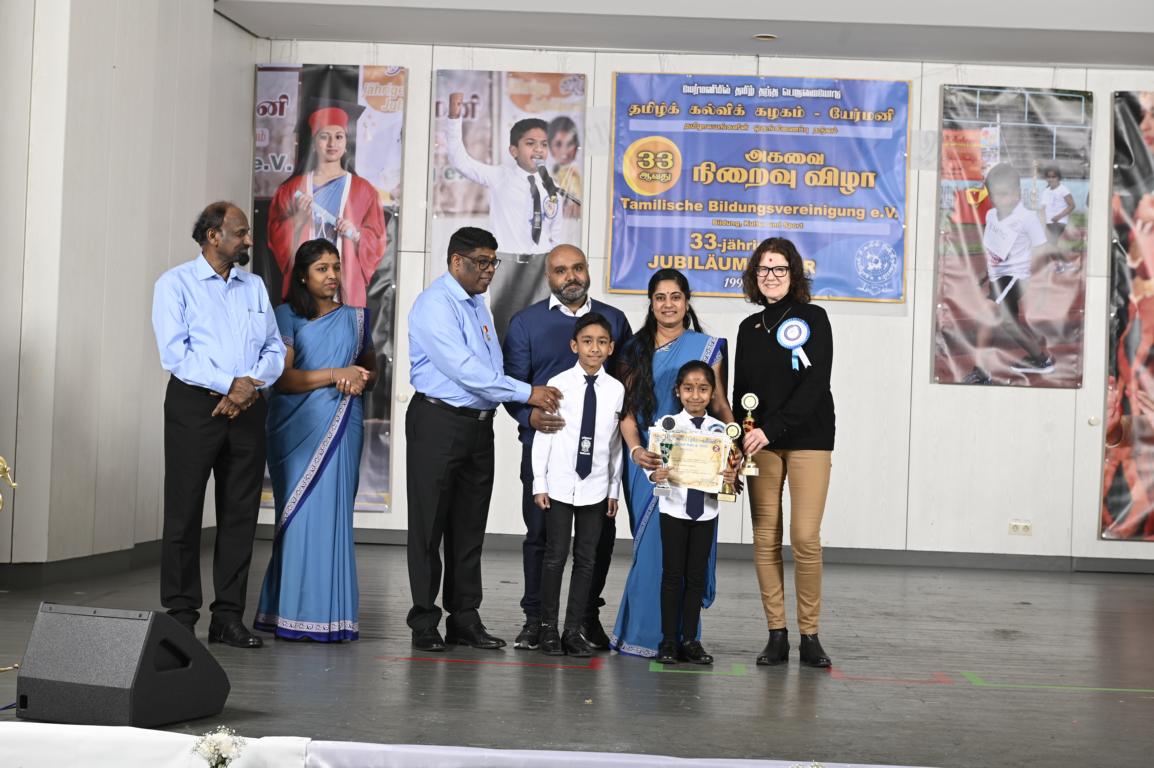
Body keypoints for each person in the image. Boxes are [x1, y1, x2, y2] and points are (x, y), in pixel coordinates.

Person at [406, 226, 562, 652]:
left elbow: (491, 369)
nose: (490, 270)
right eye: (482, 262)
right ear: (456, 261)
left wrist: (518, 395)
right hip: (438, 421)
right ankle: (424, 621)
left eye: (494, 262)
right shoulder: (434, 305)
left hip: (478, 425)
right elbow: (466, 370)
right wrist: (527, 392)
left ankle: (464, 618)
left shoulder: (477, 304)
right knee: (428, 527)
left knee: (469, 526)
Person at [151, 202, 286, 648]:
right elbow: (175, 354)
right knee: (184, 513)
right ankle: (181, 616)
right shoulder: (175, 284)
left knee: (240, 516)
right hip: (195, 407)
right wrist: (229, 384)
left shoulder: (254, 286)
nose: (248, 239)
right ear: (213, 236)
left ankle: (228, 618)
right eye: (240, 232)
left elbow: (273, 347)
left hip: (248, 409)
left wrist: (248, 386)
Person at [502, 244, 632, 651]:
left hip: (598, 458)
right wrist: (529, 419)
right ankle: (536, 620)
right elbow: (511, 387)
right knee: (542, 539)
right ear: (548, 277)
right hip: (547, 451)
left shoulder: (615, 319)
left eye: (577, 268)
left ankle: (583, 619)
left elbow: (625, 387)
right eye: (560, 270)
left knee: (597, 543)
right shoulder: (526, 323)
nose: (570, 276)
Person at [254, 239, 375, 642]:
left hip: (342, 424)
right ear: (303, 276)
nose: (332, 275)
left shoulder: (356, 319)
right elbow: (283, 379)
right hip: (296, 428)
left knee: (333, 517)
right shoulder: (286, 316)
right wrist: (336, 374)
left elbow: (368, 369)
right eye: (322, 268)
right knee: (298, 517)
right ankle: (288, 611)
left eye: (336, 267)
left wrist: (359, 378)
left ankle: (331, 617)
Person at [611, 269, 734, 658]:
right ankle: (648, 635)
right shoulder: (634, 349)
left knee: (690, 556)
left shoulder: (706, 347)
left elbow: (720, 404)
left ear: (687, 301)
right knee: (653, 552)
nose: (668, 304)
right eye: (660, 297)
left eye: (675, 297)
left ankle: (686, 637)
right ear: (651, 303)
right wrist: (636, 452)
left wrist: (733, 452)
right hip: (650, 465)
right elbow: (627, 413)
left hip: (696, 465)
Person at [733, 237, 835, 668]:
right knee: (765, 538)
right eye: (763, 269)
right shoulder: (748, 328)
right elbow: (741, 394)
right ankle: (777, 633)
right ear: (754, 276)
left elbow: (815, 384)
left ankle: (810, 634)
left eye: (779, 269)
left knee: (805, 538)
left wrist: (770, 429)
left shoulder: (814, 318)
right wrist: (740, 441)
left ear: (793, 274)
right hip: (760, 446)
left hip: (809, 438)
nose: (770, 276)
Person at [531, 313, 624, 657]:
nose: (594, 348)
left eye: (602, 342)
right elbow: (544, 434)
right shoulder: (558, 384)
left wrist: (613, 488)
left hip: (596, 486)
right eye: (587, 341)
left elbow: (615, 444)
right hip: (559, 483)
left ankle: (572, 631)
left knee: (586, 558)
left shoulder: (616, 390)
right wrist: (539, 482)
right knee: (555, 556)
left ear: (611, 348)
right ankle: (548, 629)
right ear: (574, 346)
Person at [443, 92, 564, 337]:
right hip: (507, 263)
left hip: (542, 264)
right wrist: (454, 119)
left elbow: (556, 232)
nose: (538, 149)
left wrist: (556, 265)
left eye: (543, 144)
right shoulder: (500, 176)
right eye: (530, 143)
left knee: (539, 330)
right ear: (513, 150)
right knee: (506, 329)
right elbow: (460, 161)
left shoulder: (553, 187)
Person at [649, 361, 736, 666]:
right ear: (678, 391)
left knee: (696, 577)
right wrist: (655, 475)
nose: (695, 395)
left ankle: (690, 640)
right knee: (672, 575)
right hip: (673, 508)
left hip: (706, 511)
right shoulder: (667, 425)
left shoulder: (721, 430)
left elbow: (730, 472)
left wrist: (730, 476)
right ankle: (668, 640)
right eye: (688, 388)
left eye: (702, 389)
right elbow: (654, 464)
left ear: (712, 393)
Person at [267, 105, 387, 308]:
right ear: (314, 143)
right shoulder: (291, 189)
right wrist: (298, 220)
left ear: (346, 143)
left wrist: (356, 234)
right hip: (305, 285)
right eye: (324, 136)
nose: (332, 143)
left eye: (339, 136)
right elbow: (275, 238)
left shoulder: (364, 190)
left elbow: (377, 240)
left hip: (345, 285)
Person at [962, 163, 1057, 384]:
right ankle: (1041, 360)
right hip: (998, 277)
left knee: (988, 312)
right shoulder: (991, 216)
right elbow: (995, 248)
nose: (1000, 199)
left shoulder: (1027, 218)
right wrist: (986, 274)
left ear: (1017, 193)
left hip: (1015, 278)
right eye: (995, 195)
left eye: (1006, 194)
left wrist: (1037, 276)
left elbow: (1042, 249)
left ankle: (981, 371)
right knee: (1009, 324)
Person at [547, 116, 582, 219]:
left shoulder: (581, 174)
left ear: (576, 145)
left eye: (570, 144)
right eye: (558, 144)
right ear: (550, 146)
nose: (564, 151)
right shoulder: (546, 176)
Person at [1039, 166, 1076, 248]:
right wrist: (1041, 221)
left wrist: (1058, 217)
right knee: (1047, 244)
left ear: (1058, 178)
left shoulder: (1063, 190)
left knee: (1051, 243)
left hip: (1058, 222)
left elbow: (1072, 205)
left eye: (1053, 177)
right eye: (1049, 177)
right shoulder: (1046, 191)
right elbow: (1043, 208)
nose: (1051, 179)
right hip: (1048, 222)